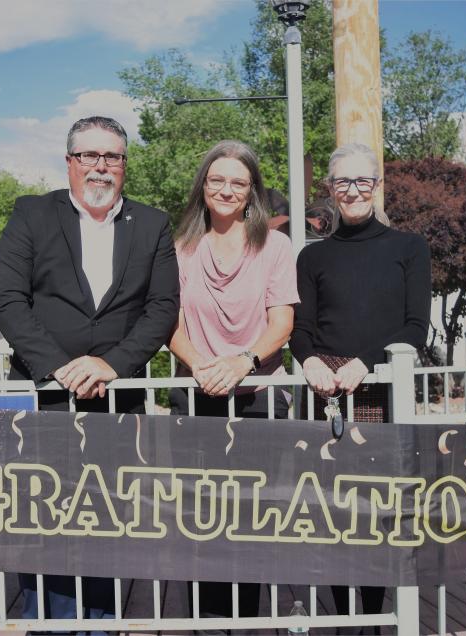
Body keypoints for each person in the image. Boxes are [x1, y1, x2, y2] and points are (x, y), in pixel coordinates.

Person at [0, 115, 179, 629]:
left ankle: (100, 624)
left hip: (117, 404)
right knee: (42, 522)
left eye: (112, 156)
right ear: (70, 162)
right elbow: (7, 298)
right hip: (43, 401)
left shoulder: (153, 224)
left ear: (124, 164)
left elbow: (162, 308)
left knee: (106, 522)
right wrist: (58, 368)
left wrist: (111, 365)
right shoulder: (31, 214)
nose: (101, 167)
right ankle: (47, 624)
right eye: (89, 156)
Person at [289, 142, 432, 631]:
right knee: (331, 513)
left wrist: (365, 365)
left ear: (376, 184)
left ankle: (373, 618)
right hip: (324, 395)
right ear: (329, 189)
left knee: (377, 514)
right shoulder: (312, 257)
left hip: (379, 393)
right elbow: (300, 328)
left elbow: (416, 329)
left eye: (362, 181)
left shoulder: (409, 248)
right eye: (342, 182)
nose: (352, 190)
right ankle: (344, 617)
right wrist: (308, 360)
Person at [167, 139, 299, 619]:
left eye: (238, 183)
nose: (227, 190)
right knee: (202, 522)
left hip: (259, 397)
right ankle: (208, 624)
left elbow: (281, 322)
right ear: (203, 186)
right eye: (217, 180)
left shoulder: (276, 245)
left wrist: (244, 361)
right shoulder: (180, 248)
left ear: (252, 192)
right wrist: (201, 364)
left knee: (248, 521)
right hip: (196, 396)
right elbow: (170, 322)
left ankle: (245, 625)